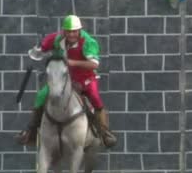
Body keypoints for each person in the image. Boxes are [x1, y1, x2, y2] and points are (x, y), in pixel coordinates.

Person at [16, 15, 117, 148]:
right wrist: (38, 50)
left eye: (74, 31)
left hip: (85, 79)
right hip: (63, 79)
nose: (71, 34)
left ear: (79, 30)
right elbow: (38, 54)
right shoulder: (56, 38)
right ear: (64, 31)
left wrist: (71, 62)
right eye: (68, 31)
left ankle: (104, 132)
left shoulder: (88, 42)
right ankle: (31, 130)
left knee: (95, 98)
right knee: (41, 95)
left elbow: (94, 64)